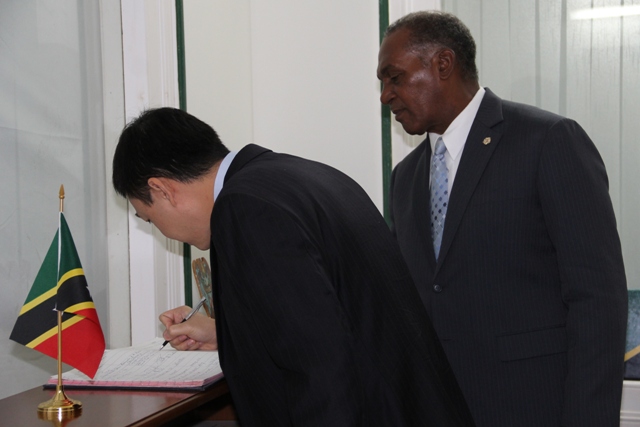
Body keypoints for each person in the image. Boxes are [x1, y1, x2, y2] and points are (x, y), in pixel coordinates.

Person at [112, 107, 475, 426]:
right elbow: (332, 317)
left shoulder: (245, 209)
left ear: (161, 190)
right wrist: (225, 334)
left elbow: (320, 368)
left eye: (148, 217)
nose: (161, 230)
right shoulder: (304, 176)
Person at [377, 10, 628, 427]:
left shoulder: (548, 142)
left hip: (534, 409)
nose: (385, 95)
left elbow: (598, 300)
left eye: (395, 77)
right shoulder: (405, 178)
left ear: (442, 64)